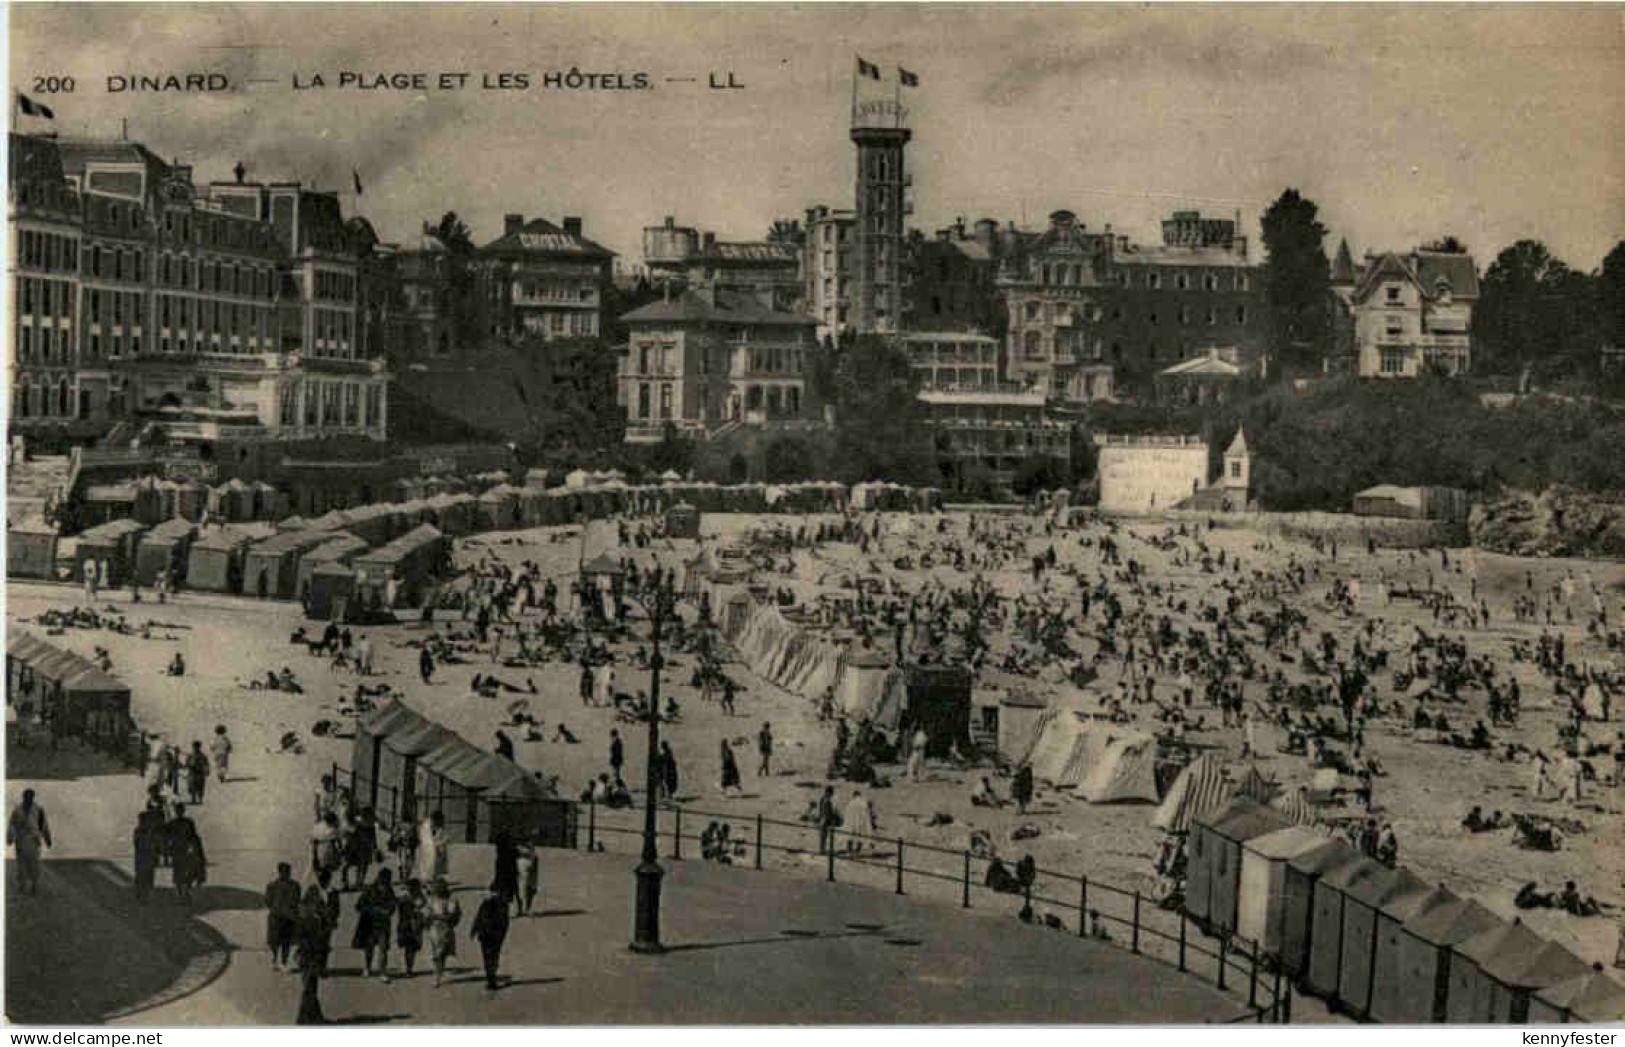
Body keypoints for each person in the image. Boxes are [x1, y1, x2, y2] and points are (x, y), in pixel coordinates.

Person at [295, 884, 333, 1024]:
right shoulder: (308, 920)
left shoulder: (309, 917)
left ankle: (312, 1017)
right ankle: (306, 1018)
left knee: (310, 988)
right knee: (309, 988)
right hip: (309, 956)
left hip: (310, 957)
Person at [353, 867, 398, 980]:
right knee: (369, 949)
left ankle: (382, 971)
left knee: (383, 949)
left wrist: (386, 911)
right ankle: (367, 968)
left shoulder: (390, 892)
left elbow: (392, 908)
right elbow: (358, 906)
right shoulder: (369, 891)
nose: (385, 883)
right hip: (370, 925)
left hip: (383, 925)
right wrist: (372, 909)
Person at [8, 789, 53, 896]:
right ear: (23, 797)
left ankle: (34, 886)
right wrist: (10, 837)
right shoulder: (17, 810)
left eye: (30, 796)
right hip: (21, 841)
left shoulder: (38, 810)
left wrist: (47, 839)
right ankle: (22, 886)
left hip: (34, 841)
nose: (28, 798)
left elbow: (44, 826)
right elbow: (12, 824)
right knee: (21, 865)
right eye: (26, 796)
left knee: (34, 865)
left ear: (33, 797)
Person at [471, 888, 511, 991]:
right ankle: (491, 978)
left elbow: (479, 917)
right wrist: (474, 930)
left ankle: (491, 979)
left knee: (489, 957)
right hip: (489, 936)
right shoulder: (497, 905)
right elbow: (479, 917)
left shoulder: (499, 905)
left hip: (490, 936)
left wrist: (474, 930)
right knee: (491, 957)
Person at [424, 878, 462, 988]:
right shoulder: (432, 900)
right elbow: (427, 913)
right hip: (434, 929)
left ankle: (437, 976)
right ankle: (438, 974)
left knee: (440, 953)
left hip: (446, 929)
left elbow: (453, 915)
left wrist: (436, 916)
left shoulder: (451, 900)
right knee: (436, 953)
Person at [265, 861, 302, 970]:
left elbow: (297, 900)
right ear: (280, 872)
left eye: (288, 872)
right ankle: (275, 958)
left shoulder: (295, 885)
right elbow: (268, 901)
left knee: (286, 942)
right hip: (276, 917)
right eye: (285, 872)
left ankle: (284, 962)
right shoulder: (272, 886)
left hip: (288, 918)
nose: (287, 874)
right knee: (273, 941)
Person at [169, 805, 207, 904]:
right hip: (178, 851)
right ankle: (181, 894)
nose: (179, 812)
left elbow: (193, 835)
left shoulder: (185, 822)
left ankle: (183, 894)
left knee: (184, 872)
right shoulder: (175, 823)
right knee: (180, 872)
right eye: (178, 810)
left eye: (180, 810)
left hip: (183, 850)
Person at [133, 801, 164, 903]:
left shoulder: (139, 831)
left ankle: (143, 894)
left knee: (144, 876)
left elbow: (137, 843)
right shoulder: (141, 831)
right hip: (144, 857)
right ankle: (142, 894)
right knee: (145, 876)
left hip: (143, 857)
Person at [396, 879, 427, 978]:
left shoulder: (418, 897)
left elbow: (422, 906)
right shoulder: (405, 898)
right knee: (410, 949)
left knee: (410, 949)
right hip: (407, 925)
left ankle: (409, 968)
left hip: (413, 926)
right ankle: (409, 969)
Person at [415, 810, 448, 883]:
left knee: (435, 867)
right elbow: (424, 837)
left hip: (436, 850)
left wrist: (440, 843)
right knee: (427, 866)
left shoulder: (440, 829)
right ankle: (426, 880)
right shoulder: (426, 826)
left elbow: (443, 838)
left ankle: (432, 880)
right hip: (428, 849)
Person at [491, 832, 520, 909]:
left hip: (503, 870)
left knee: (503, 889)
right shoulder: (511, 850)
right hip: (509, 871)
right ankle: (516, 907)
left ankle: (502, 904)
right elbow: (516, 854)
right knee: (511, 890)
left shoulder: (500, 850)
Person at [843, 789, 876, 854]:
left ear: (854, 795)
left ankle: (849, 850)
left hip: (852, 822)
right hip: (860, 822)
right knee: (860, 837)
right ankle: (857, 851)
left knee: (850, 836)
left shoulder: (851, 802)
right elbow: (867, 811)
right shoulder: (862, 802)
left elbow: (847, 813)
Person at [516, 838, 539, 916]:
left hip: (528, 873)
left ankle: (526, 909)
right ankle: (521, 909)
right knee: (519, 890)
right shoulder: (518, 852)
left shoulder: (533, 855)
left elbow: (535, 867)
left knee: (528, 890)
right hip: (520, 872)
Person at [817, 785, 840, 855]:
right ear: (828, 792)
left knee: (825, 835)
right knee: (824, 835)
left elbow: (822, 810)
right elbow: (827, 811)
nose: (831, 795)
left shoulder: (824, 799)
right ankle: (822, 849)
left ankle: (823, 849)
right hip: (826, 819)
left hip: (825, 819)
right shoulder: (826, 800)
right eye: (831, 793)